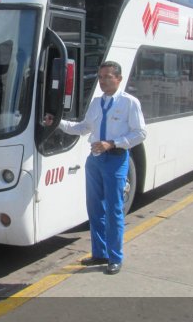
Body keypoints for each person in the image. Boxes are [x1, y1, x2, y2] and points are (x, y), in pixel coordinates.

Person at [43, 61, 146, 275]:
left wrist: (113, 143)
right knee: (94, 208)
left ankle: (115, 257)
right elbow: (83, 128)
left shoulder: (130, 103)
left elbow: (140, 133)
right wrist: (57, 122)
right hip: (95, 160)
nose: (103, 81)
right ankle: (99, 253)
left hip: (116, 160)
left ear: (119, 78)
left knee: (114, 210)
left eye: (108, 77)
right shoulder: (97, 103)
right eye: (100, 77)